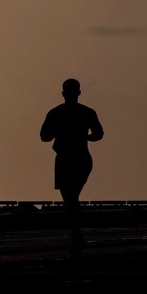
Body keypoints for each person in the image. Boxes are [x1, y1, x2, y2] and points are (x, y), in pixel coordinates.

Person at [40, 78, 104, 258]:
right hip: (81, 157)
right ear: (79, 93)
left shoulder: (55, 113)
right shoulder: (87, 112)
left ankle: (76, 235)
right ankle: (77, 234)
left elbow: (44, 136)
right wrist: (84, 138)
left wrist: (60, 134)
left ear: (63, 93)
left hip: (65, 158)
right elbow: (99, 134)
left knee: (70, 198)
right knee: (72, 197)